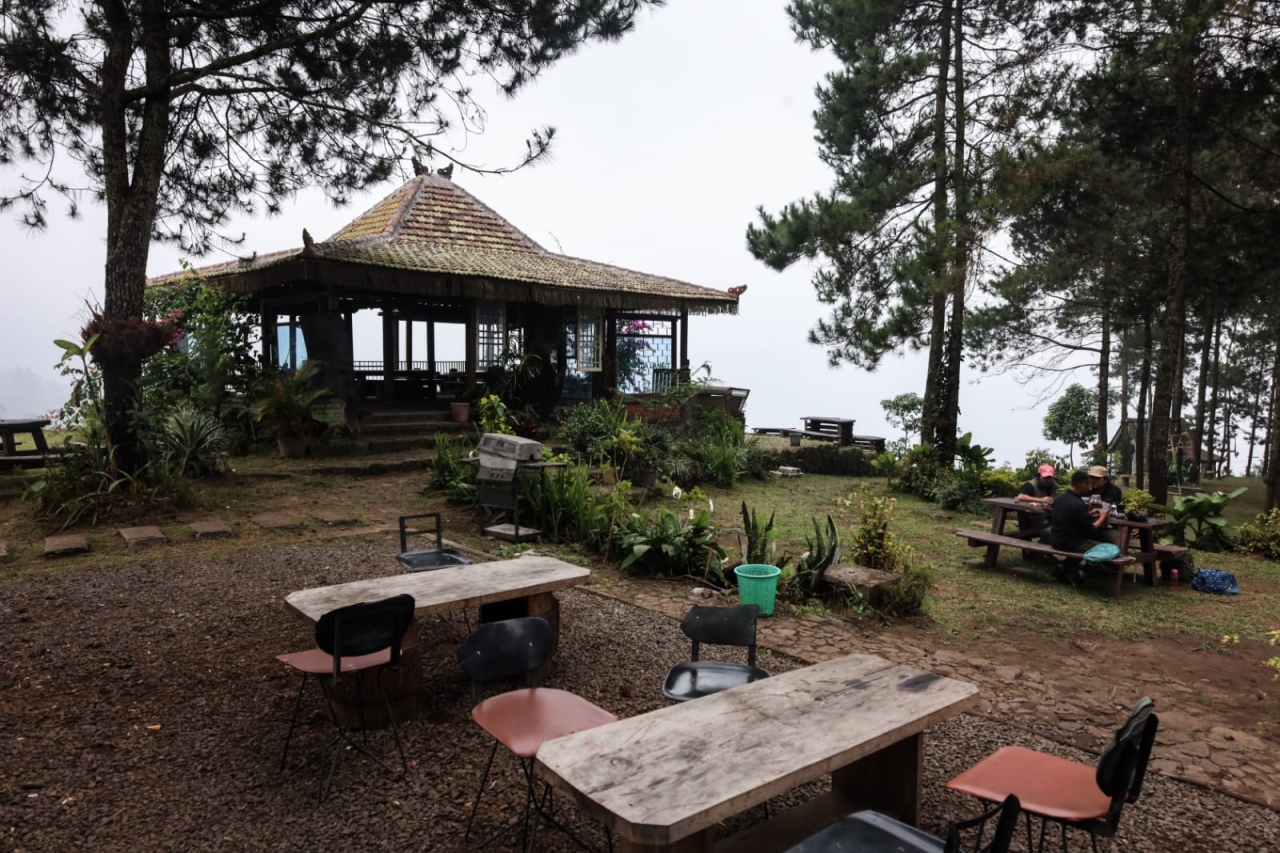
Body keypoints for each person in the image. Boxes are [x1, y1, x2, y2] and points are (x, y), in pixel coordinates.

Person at [1045, 470, 1112, 585]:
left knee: (1085, 544)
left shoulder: (1060, 498)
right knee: (1104, 548)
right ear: (1083, 484)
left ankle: (1062, 568)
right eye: (1089, 484)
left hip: (1055, 538)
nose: (1090, 488)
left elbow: (1070, 517)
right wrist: (1103, 517)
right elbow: (1090, 530)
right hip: (1070, 543)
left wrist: (1089, 514)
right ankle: (1081, 575)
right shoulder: (1077, 503)